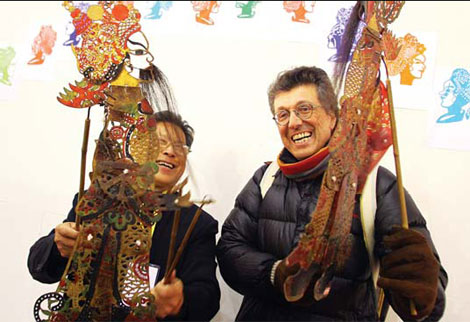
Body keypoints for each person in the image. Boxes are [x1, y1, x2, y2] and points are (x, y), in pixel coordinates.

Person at [216, 66, 447, 321]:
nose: (293, 122)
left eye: (304, 109)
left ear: (333, 115)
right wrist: (274, 274)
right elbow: (229, 248)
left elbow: (426, 291)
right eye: (282, 114)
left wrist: (422, 294)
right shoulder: (266, 178)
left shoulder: (376, 185)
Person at [28, 111, 220, 321]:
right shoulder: (99, 198)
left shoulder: (198, 224)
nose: (170, 152)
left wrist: (179, 300)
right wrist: (58, 248)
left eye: (180, 147)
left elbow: (207, 297)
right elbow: (39, 267)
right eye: (160, 142)